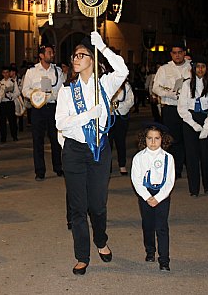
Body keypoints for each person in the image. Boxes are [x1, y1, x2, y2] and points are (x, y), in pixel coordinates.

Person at [55, 31, 128, 275]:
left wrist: (104, 48)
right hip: (75, 151)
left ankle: (101, 240)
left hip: (98, 149)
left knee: (97, 205)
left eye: (81, 55)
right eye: (74, 55)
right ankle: (82, 255)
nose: (75, 59)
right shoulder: (67, 91)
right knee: (78, 206)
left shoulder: (104, 84)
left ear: (91, 59)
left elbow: (123, 71)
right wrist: (88, 115)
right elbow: (61, 123)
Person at [130, 122, 176, 271]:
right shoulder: (139, 158)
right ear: (145, 139)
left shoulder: (168, 158)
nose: (153, 142)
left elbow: (170, 180)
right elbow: (136, 179)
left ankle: (164, 260)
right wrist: (146, 196)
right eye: (150, 138)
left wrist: (160, 197)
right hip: (146, 194)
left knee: (162, 227)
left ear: (163, 139)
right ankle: (150, 250)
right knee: (148, 225)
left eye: (157, 138)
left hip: (162, 195)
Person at [22, 45, 65, 180]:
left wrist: (56, 95)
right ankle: (40, 171)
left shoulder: (57, 71)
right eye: (49, 52)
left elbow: (64, 89)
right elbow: (25, 90)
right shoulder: (32, 72)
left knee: (56, 140)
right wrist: (35, 95)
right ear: (41, 55)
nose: (52, 55)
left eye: (52, 52)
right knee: (38, 140)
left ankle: (58, 167)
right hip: (38, 109)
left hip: (53, 108)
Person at [177, 55, 208, 196]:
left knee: (206, 154)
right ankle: (194, 188)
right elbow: (181, 107)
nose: (200, 69)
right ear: (193, 69)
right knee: (191, 156)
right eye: (198, 67)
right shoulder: (187, 84)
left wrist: (206, 125)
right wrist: (193, 124)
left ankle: (207, 185)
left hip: (207, 119)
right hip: (190, 120)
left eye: (203, 67)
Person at [152, 43, 192, 179]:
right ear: (171, 54)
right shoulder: (164, 69)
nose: (177, 55)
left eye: (180, 52)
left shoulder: (191, 67)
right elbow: (155, 88)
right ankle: (174, 169)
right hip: (171, 107)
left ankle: (186, 165)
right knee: (172, 139)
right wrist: (171, 94)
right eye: (174, 53)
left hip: (188, 108)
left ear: (184, 52)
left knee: (187, 138)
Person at [109, 79, 134, 175]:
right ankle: (108, 165)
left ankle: (122, 165)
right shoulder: (107, 83)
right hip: (109, 117)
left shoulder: (126, 86)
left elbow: (131, 101)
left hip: (121, 116)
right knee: (108, 143)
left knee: (120, 141)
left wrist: (119, 105)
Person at [0, 66, 21, 143]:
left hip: (10, 103)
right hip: (3, 103)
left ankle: (14, 136)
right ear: (2, 73)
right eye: (4, 72)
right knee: (2, 121)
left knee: (12, 120)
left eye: (7, 72)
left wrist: (11, 96)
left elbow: (17, 92)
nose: (6, 74)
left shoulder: (13, 82)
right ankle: (3, 137)